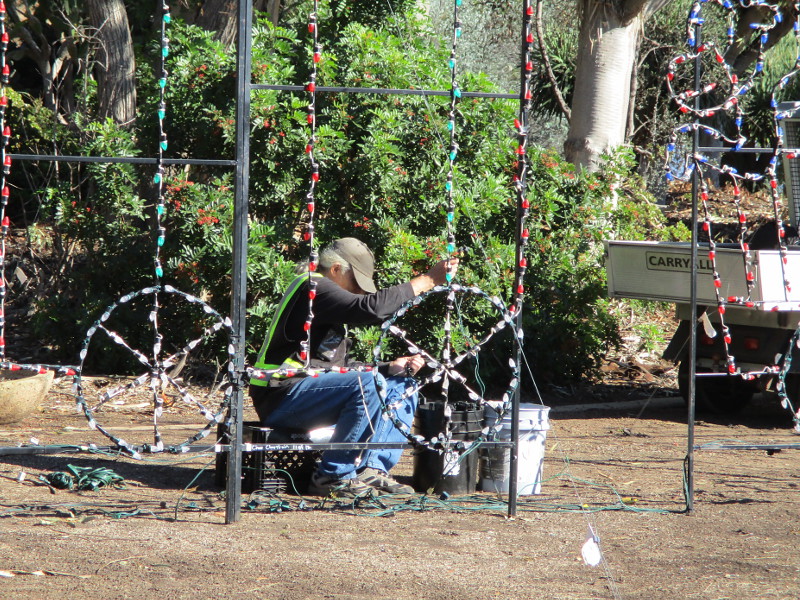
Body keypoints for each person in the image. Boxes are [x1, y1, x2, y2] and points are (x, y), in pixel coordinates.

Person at [249, 237, 458, 498]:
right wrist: (428, 280)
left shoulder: (326, 309)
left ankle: (371, 469)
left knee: (402, 383)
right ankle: (332, 475)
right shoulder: (313, 287)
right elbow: (370, 309)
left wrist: (388, 368)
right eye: (356, 283)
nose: (360, 291)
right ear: (336, 269)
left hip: (306, 393)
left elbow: (336, 368)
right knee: (366, 382)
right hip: (280, 395)